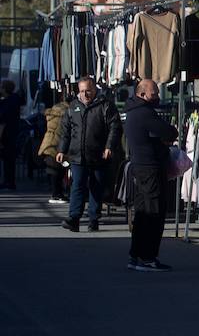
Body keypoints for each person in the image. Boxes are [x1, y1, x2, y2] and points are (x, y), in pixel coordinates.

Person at [124, 79, 178, 271]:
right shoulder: (144, 113)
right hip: (150, 169)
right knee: (153, 213)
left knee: (142, 214)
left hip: (141, 168)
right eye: (154, 94)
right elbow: (169, 131)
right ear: (142, 94)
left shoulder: (133, 112)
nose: (157, 97)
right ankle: (147, 257)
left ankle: (136, 255)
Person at [57, 77, 121, 233]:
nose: (85, 94)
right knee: (77, 186)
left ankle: (94, 218)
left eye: (88, 90)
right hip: (77, 155)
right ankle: (74, 218)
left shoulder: (106, 105)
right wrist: (61, 150)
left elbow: (115, 128)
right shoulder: (73, 107)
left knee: (96, 186)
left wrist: (109, 147)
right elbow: (65, 131)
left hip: (98, 154)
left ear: (94, 89)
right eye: (82, 91)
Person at [38, 91, 69, 206]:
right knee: (58, 171)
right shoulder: (65, 114)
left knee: (54, 171)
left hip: (48, 144)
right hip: (56, 145)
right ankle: (56, 194)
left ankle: (56, 192)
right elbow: (64, 132)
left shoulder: (53, 113)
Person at [0, 79, 22, 190]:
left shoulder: (7, 103)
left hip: (7, 134)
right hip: (13, 132)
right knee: (10, 159)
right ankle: (10, 181)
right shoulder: (15, 99)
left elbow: (2, 120)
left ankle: (8, 181)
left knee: (7, 159)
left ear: (4, 89)